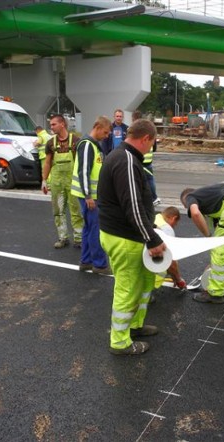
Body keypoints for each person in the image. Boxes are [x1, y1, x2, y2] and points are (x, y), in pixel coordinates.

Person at [98, 119, 166, 356]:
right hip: (124, 237)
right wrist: (153, 239)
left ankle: (135, 326)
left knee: (144, 283)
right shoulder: (126, 160)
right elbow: (133, 206)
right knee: (127, 289)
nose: (151, 148)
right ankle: (120, 341)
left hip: (129, 235)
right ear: (145, 138)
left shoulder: (124, 157)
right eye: (152, 143)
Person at [71, 116, 112, 275]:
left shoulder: (93, 145)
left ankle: (86, 261)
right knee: (95, 229)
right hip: (89, 196)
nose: (107, 135)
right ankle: (99, 264)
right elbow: (84, 171)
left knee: (89, 228)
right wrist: (88, 196)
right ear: (97, 127)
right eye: (106, 132)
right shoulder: (88, 145)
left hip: (90, 195)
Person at [41, 114, 83, 249]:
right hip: (57, 183)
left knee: (76, 210)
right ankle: (63, 237)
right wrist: (44, 180)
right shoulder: (50, 143)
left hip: (73, 183)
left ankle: (79, 239)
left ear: (62, 124)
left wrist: (82, 182)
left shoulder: (76, 141)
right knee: (58, 211)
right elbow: (47, 163)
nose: (50, 127)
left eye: (53, 124)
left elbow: (80, 163)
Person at [152, 206, 186, 293]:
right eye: (176, 223)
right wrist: (178, 279)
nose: (175, 226)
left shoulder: (156, 218)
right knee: (162, 265)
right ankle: (149, 290)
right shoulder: (166, 229)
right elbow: (170, 260)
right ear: (173, 218)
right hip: (148, 260)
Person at [132, 110, 161, 206]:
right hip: (149, 160)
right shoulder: (149, 129)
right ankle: (152, 197)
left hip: (142, 160)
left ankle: (153, 197)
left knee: (145, 180)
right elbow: (155, 146)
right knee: (149, 179)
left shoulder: (137, 131)